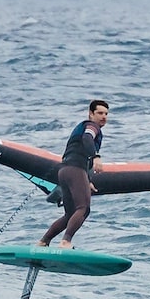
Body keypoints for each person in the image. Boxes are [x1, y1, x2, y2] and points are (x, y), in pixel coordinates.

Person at [40, 99, 107, 249]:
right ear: (91, 113)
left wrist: (87, 179)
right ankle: (65, 242)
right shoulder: (91, 126)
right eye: (100, 113)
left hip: (64, 171)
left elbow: (80, 151)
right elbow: (87, 139)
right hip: (75, 170)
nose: (104, 117)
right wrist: (96, 157)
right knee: (83, 208)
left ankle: (43, 242)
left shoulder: (82, 127)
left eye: (106, 114)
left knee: (70, 214)